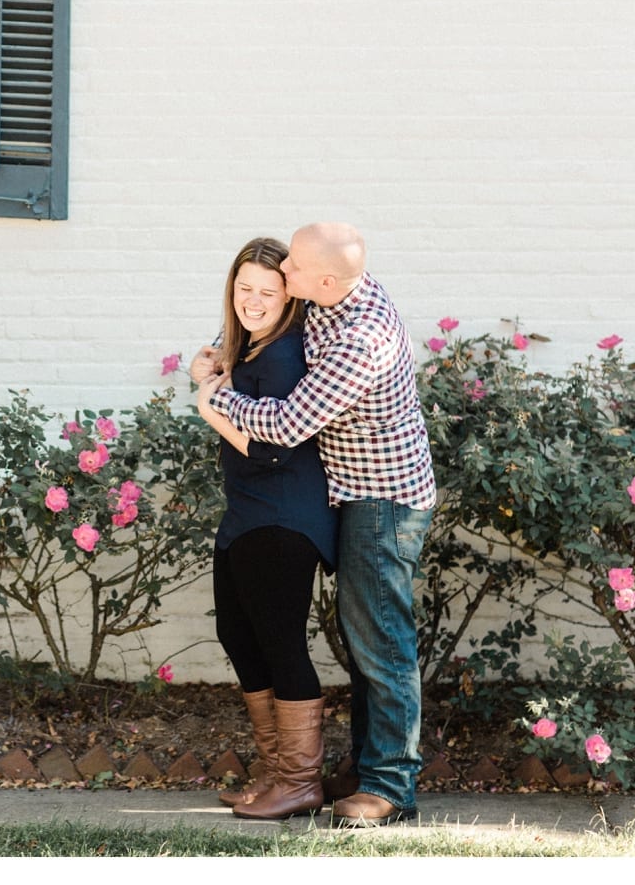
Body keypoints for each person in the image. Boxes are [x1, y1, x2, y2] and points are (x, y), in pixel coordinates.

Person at [194, 221, 436, 829]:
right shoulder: (340, 292)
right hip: (349, 488)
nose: (286, 278)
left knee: (381, 641)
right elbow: (276, 331)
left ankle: (390, 788)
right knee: (361, 641)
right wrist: (227, 354)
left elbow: (286, 424)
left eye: (294, 273)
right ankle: (362, 769)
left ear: (325, 282)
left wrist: (210, 395)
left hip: (382, 496)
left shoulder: (362, 338)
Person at [190, 237, 338, 821]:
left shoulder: (281, 355)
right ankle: (279, 774)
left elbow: (275, 449)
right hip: (247, 516)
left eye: (267, 291)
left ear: (289, 298)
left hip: (282, 517)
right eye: (244, 287)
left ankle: (300, 783)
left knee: (279, 645)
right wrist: (217, 375)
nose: (253, 300)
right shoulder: (254, 351)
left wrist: (212, 406)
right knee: (238, 635)